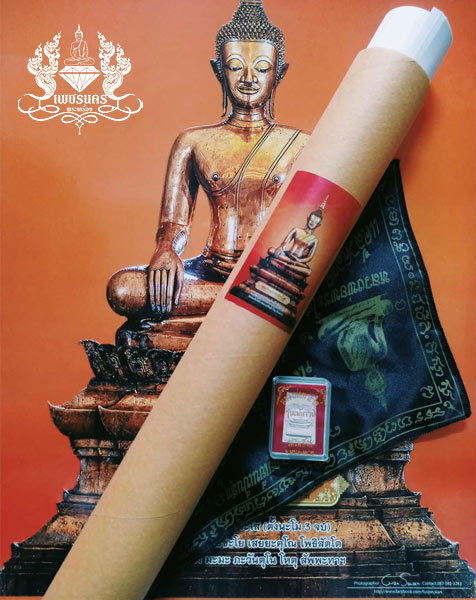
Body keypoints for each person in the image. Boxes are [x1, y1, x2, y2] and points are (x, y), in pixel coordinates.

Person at [107, 0, 309, 327]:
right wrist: (167, 249)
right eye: (235, 66)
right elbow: (175, 222)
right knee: (123, 288)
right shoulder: (193, 142)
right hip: (209, 272)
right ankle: (252, 308)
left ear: (279, 73)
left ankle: (192, 323)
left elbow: (314, 221)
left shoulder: (302, 144)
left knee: (313, 290)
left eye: (261, 68)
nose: (248, 78)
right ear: (218, 70)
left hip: (271, 273)